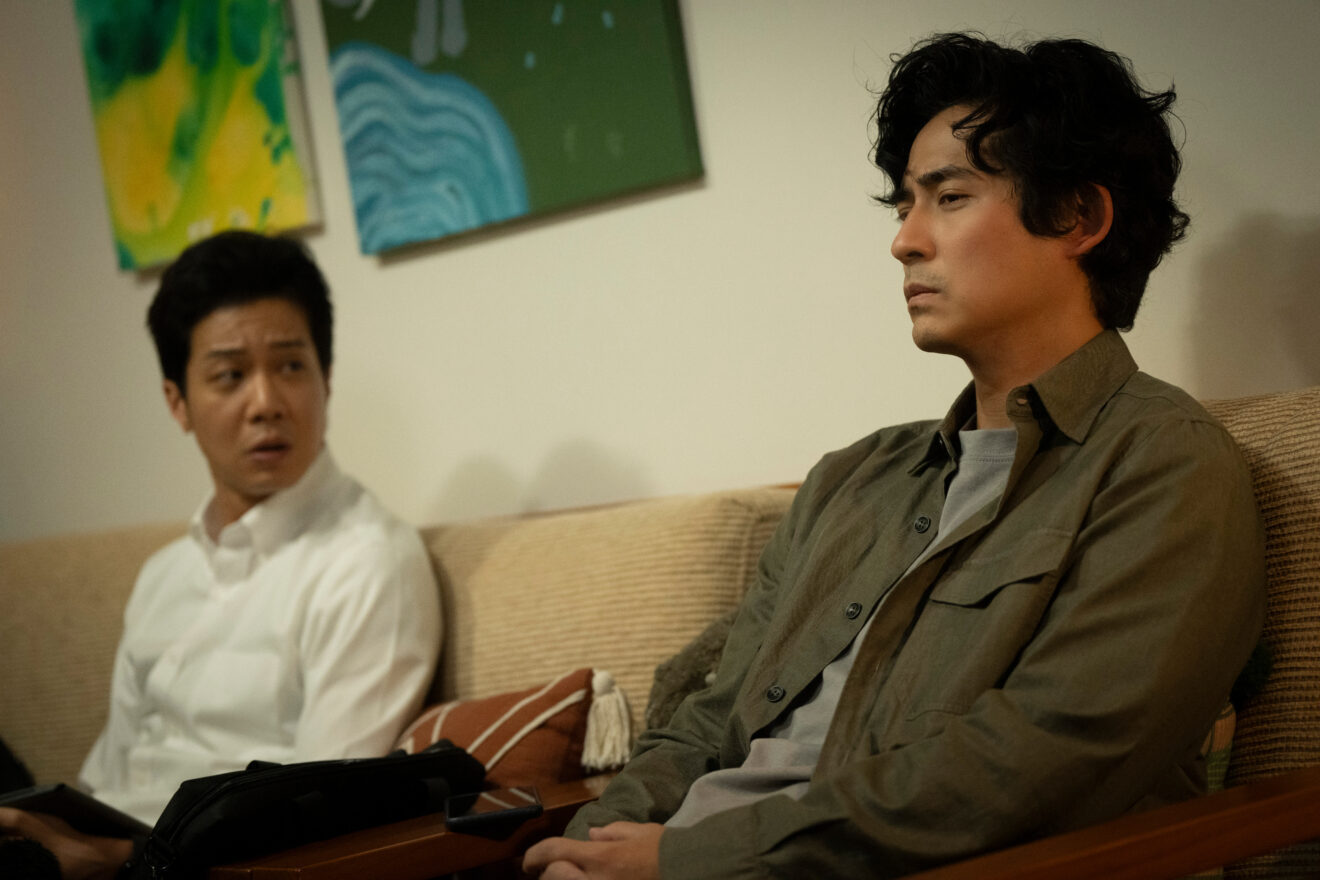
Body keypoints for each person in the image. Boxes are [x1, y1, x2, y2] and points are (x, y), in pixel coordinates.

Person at [523, 31, 1266, 880]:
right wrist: (586, 849)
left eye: (948, 197)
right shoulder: (852, 480)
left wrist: (692, 859)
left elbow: (1047, 759)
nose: (904, 241)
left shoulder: (1162, 465)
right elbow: (707, 720)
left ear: (1078, 217)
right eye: (905, 205)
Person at [0, 230, 441, 878]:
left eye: (290, 366)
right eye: (231, 376)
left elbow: (322, 822)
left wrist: (113, 861)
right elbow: (105, 782)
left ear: (326, 379)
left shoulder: (368, 564)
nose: (266, 404)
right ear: (177, 402)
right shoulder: (163, 575)